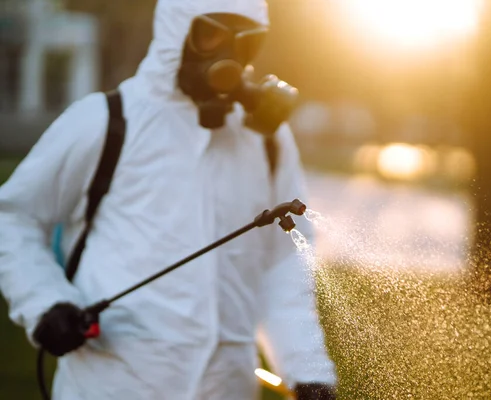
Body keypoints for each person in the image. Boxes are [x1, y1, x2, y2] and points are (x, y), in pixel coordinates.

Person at [0, 0, 337, 399]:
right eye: (212, 35)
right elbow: (14, 218)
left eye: (244, 42)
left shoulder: (266, 140)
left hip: (227, 387)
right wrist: (45, 302)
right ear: (176, 31)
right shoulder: (105, 121)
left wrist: (305, 368)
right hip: (112, 384)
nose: (228, 57)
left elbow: (284, 262)